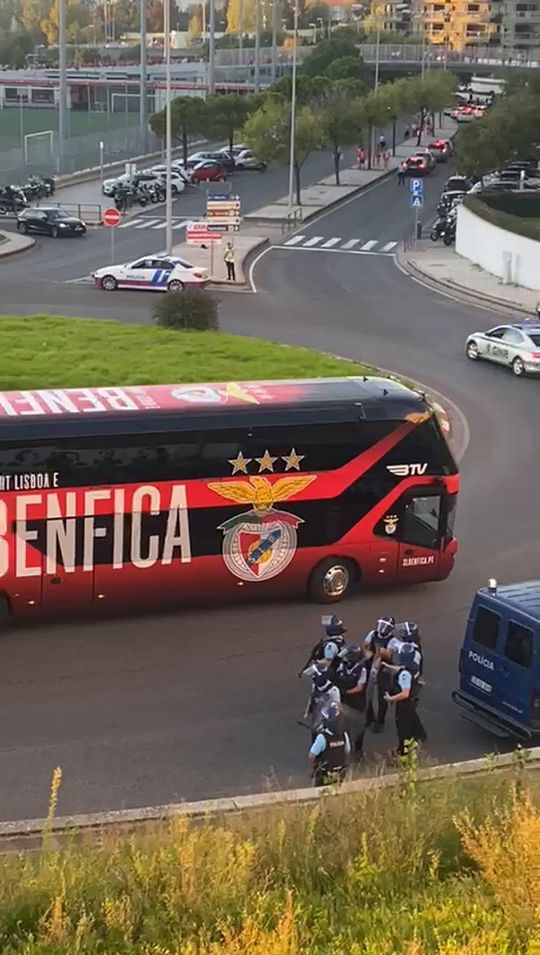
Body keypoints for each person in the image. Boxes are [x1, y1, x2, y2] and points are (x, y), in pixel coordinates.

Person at [384, 643, 427, 756]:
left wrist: (390, 698)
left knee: (403, 728)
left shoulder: (404, 675)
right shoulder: (413, 666)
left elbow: (404, 694)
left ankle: (403, 752)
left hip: (405, 704)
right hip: (413, 701)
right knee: (412, 718)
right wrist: (389, 667)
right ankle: (420, 735)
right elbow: (401, 668)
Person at [335, 645, 368, 757]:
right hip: (344, 702)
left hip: (357, 703)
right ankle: (345, 747)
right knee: (344, 726)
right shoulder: (342, 666)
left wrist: (346, 692)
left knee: (358, 727)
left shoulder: (362, 670)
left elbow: (360, 687)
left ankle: (358, 749)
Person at [364, 617, 395, 733]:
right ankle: (369, 716)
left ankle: (380, 721)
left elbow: (388, 655)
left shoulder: (392, 641)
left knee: (382, 697)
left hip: (384, 670)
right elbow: (365, 645)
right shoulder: (372, 634)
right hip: (370, 667)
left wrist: (380, 652)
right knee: (368, 694)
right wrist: (368, 651)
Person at [309, 701, 350, 786]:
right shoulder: (344, 735)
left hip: (324, 774)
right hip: (340, 772)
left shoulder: (322, 738)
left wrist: (316, 764)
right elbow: (347, 750)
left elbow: (311, 755)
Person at [303, 666, 341, 734]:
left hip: (327, 718)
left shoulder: (334, 690)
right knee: (315, 733)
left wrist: (331, 719)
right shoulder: (316, 685)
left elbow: (337, 706)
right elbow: (312, 697)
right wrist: (307, 711)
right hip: (317, 713)